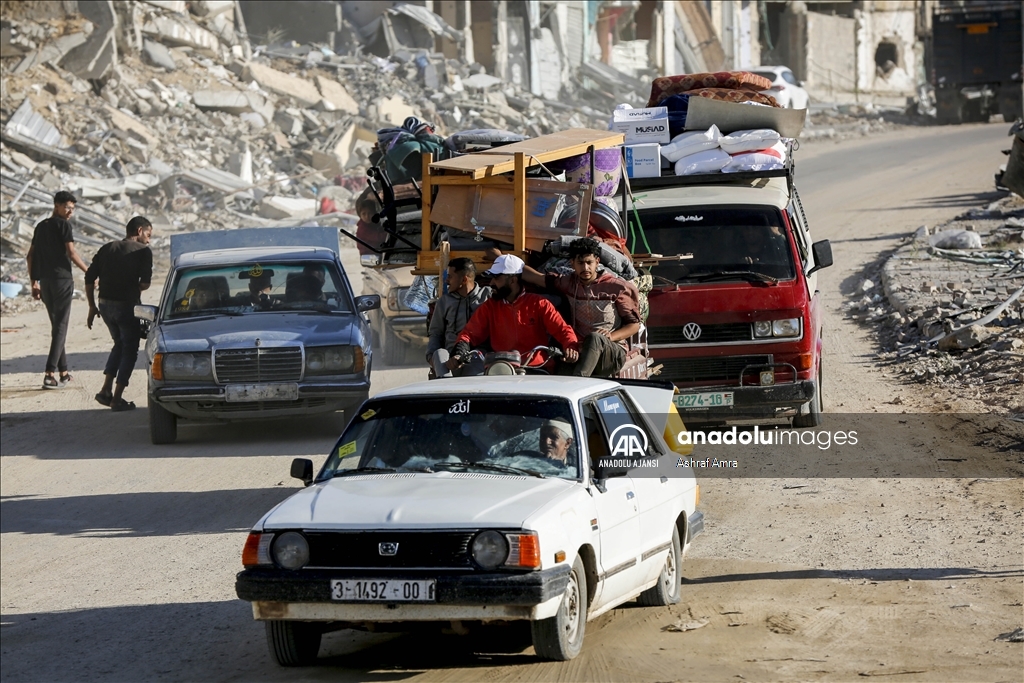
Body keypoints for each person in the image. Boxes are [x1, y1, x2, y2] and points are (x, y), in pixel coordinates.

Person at [495, 238, 641, 377]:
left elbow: (634, 325)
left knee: (595, 338)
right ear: (572, 264)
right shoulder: (569, 284)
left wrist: (610, 336)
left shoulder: (617, 287)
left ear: (597, 262)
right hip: (581, 349)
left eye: (589, 262)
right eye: (580, 263)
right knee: (560, 369)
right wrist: (502, 259)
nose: (585, 268)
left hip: (611, 352)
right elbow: (537, 278)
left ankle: (579, 381)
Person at [451, 255, 579, 373]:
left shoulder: (539, 303)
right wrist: (459, 352)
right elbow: (469, 333)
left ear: (512, 280)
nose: (491, 284)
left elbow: (562, 329)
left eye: (496, 278)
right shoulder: (489, 306)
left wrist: (571, 347)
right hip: (501, 369)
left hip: (536, 369)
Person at [85, 216, 153, 412]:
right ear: (139, 230)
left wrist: (91, 306)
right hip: (126, 307)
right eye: (148, 235)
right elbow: (145, 283)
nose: (148, 240)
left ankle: (106, 390)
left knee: (119, 344)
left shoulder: (107, 247)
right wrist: (133, 288)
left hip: (105, 306)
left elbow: (89, 277)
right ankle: (117, 398)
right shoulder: (143, 251)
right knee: (130, 350)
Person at [26, 191, 89, 389]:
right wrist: (90, 271)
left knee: (57, 327)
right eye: (67, 207)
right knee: (61, 327)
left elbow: (30, 257)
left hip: (45, 282)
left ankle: (63, 373)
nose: (70, 212)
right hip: (62, 280)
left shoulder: (40, 226)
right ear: (57, 205)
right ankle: (49, 374)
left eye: (72, 208)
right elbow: (71, 253)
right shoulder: (63, 225)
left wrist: (34, 282)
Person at [426, 258, 491, 378]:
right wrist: (431, 357)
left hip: (477, 358)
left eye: (450, 277)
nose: (446, 281)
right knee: (440, 353)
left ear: (464, 279)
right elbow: (435, 333)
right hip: (449, 361)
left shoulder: (487, 297)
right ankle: (445, 390)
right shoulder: (444, 302)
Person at [354, 190, 386, 256]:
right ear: (360, 215)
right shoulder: (363, 228)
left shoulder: (373, 223)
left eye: (370, 213)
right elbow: (379, 238)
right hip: (369, 254)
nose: (367, 217)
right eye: (363, 214)